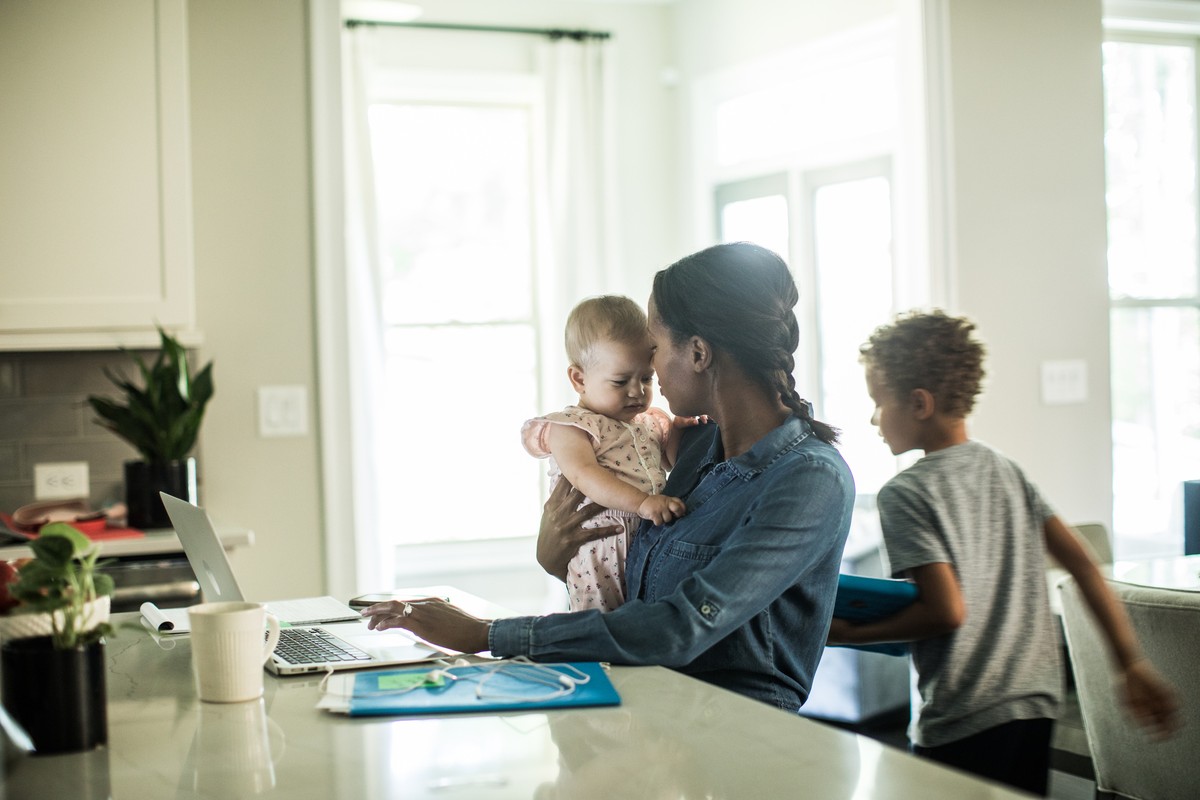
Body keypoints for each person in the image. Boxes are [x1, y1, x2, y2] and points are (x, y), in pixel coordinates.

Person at [363, 242, 856, 712]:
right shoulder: (695, 449)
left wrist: (487, 634)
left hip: (734, 736)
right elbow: (642, 590)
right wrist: (556, 557)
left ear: (699, 353)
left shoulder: (809, 480)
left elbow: (680, 626)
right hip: (642, 704)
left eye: (655, 348)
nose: (651, 370)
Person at [828, 309, 1179, 796]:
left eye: (877, 402)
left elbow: (946, 612)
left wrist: (849, 633)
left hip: (964, 715)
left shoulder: (905, 493)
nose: (873, 419)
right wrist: (1129, 662)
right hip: (1035, 704)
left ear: (919, 403)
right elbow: (1082, 564)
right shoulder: (1005, 469)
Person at [521, 295, 692, 612]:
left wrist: (681, 428)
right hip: (600, 546)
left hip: (649, 536)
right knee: (598, 625)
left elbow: (671, 461)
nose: (637, 392)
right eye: (620, 381)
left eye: (645, 378)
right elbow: (584, 474)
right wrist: (641, 503)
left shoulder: (648, 422)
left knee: (644, 623)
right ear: (579, 379)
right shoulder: (571, 427)